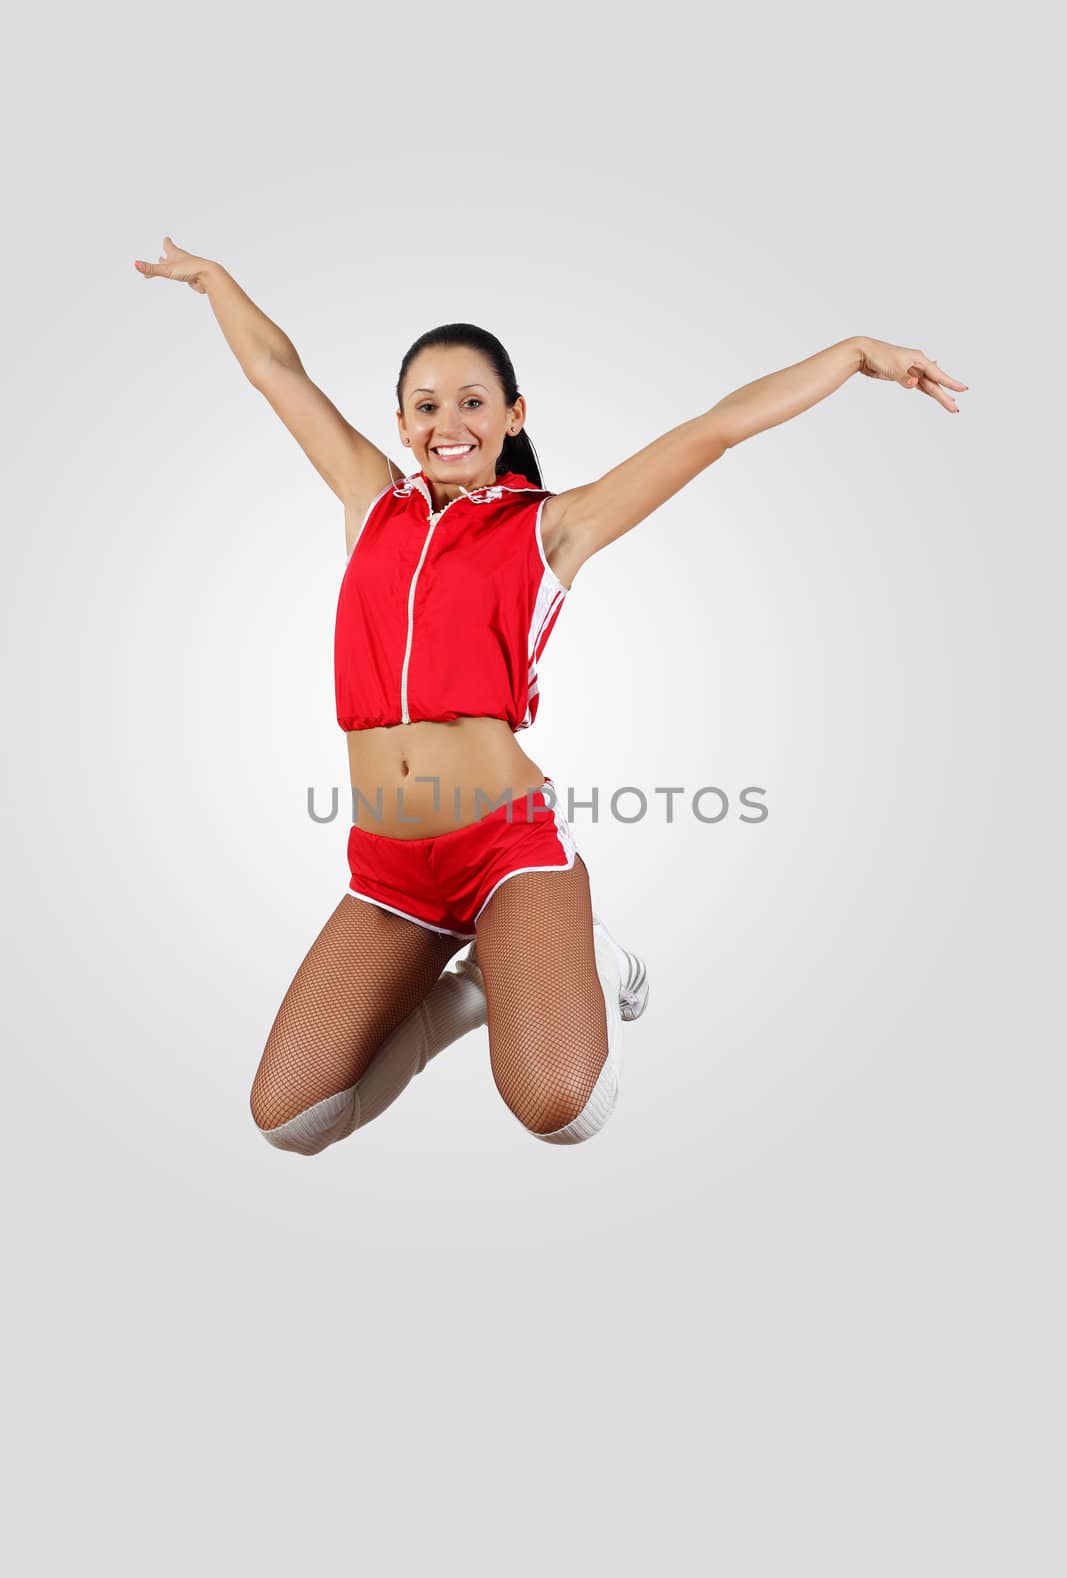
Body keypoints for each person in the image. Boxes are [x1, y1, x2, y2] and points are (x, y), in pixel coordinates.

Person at [135, 238, 967, 1153]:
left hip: (503, 846)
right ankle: (474, 991)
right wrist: (214, 280)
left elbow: (713, 428)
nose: (446, 421)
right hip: (389, 869)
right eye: (425, 405)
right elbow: (275, 368)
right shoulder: (369, 499)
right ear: (402, 422)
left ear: (510, 414)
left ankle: (590, 957)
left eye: (471, 402)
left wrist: (852, 353)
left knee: (564, 1110)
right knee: (289, 1121)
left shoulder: (549, 527)